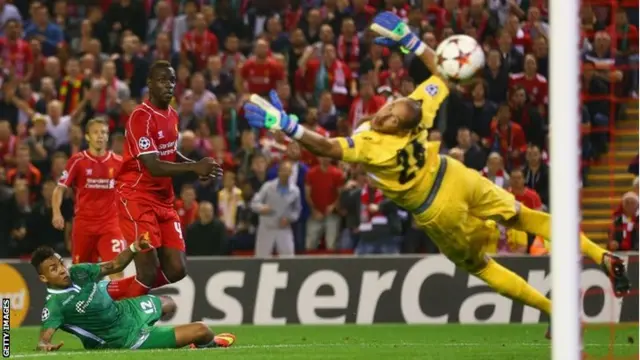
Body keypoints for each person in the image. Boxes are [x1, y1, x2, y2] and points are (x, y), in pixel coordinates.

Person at [243, 12, 631, 338]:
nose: (387, 112)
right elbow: (443, 72)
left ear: (394, 128)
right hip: (455, 173)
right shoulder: (418, 110)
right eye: (391, 107)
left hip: (438, 208)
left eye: (392, 116)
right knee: (523, 217)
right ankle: (600, 255)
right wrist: (410, 41)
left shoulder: (372, 144)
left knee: (480, 265)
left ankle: (555, 309)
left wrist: (287, 125)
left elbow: (327, 147)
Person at [112, 60, 223, 300]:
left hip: (163, 201)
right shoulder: (140, 117)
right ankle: (130, 323)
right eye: (162, 80)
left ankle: (107, 293)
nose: (169, 85)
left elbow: (169, 152)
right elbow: (152, 165)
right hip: (136, 197)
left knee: (177, 269)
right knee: (148, 270)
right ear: (150, 84)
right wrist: (194, 166)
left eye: (172, 80)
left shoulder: (172, 115)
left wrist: (196, 166)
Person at [32, 241, 235, 352]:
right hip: (125, 338)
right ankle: (207, 346)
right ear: (43, 277)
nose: (61, 270)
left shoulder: (79, 271)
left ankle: (160, 332)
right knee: (202, 330)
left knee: (169, 303)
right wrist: (45, 345)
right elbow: (44, 337)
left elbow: (114, 265)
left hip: (127, 311)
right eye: (53, 269)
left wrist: (133, 248)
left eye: (60, 263)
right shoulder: (55, 305)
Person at [52, 118, 125, 279]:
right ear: (87, 137)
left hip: (110, 225)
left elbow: (132, 191)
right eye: (96, 132)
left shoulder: (119, 162)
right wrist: (56, 213)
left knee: (116, 268)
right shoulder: (77, 161)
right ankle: (86, 303)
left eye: (104, 132)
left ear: (108, 137)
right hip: (84, 226)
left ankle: (121, 304)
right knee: (81, 276)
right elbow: (59, 189)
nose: (100, 136)